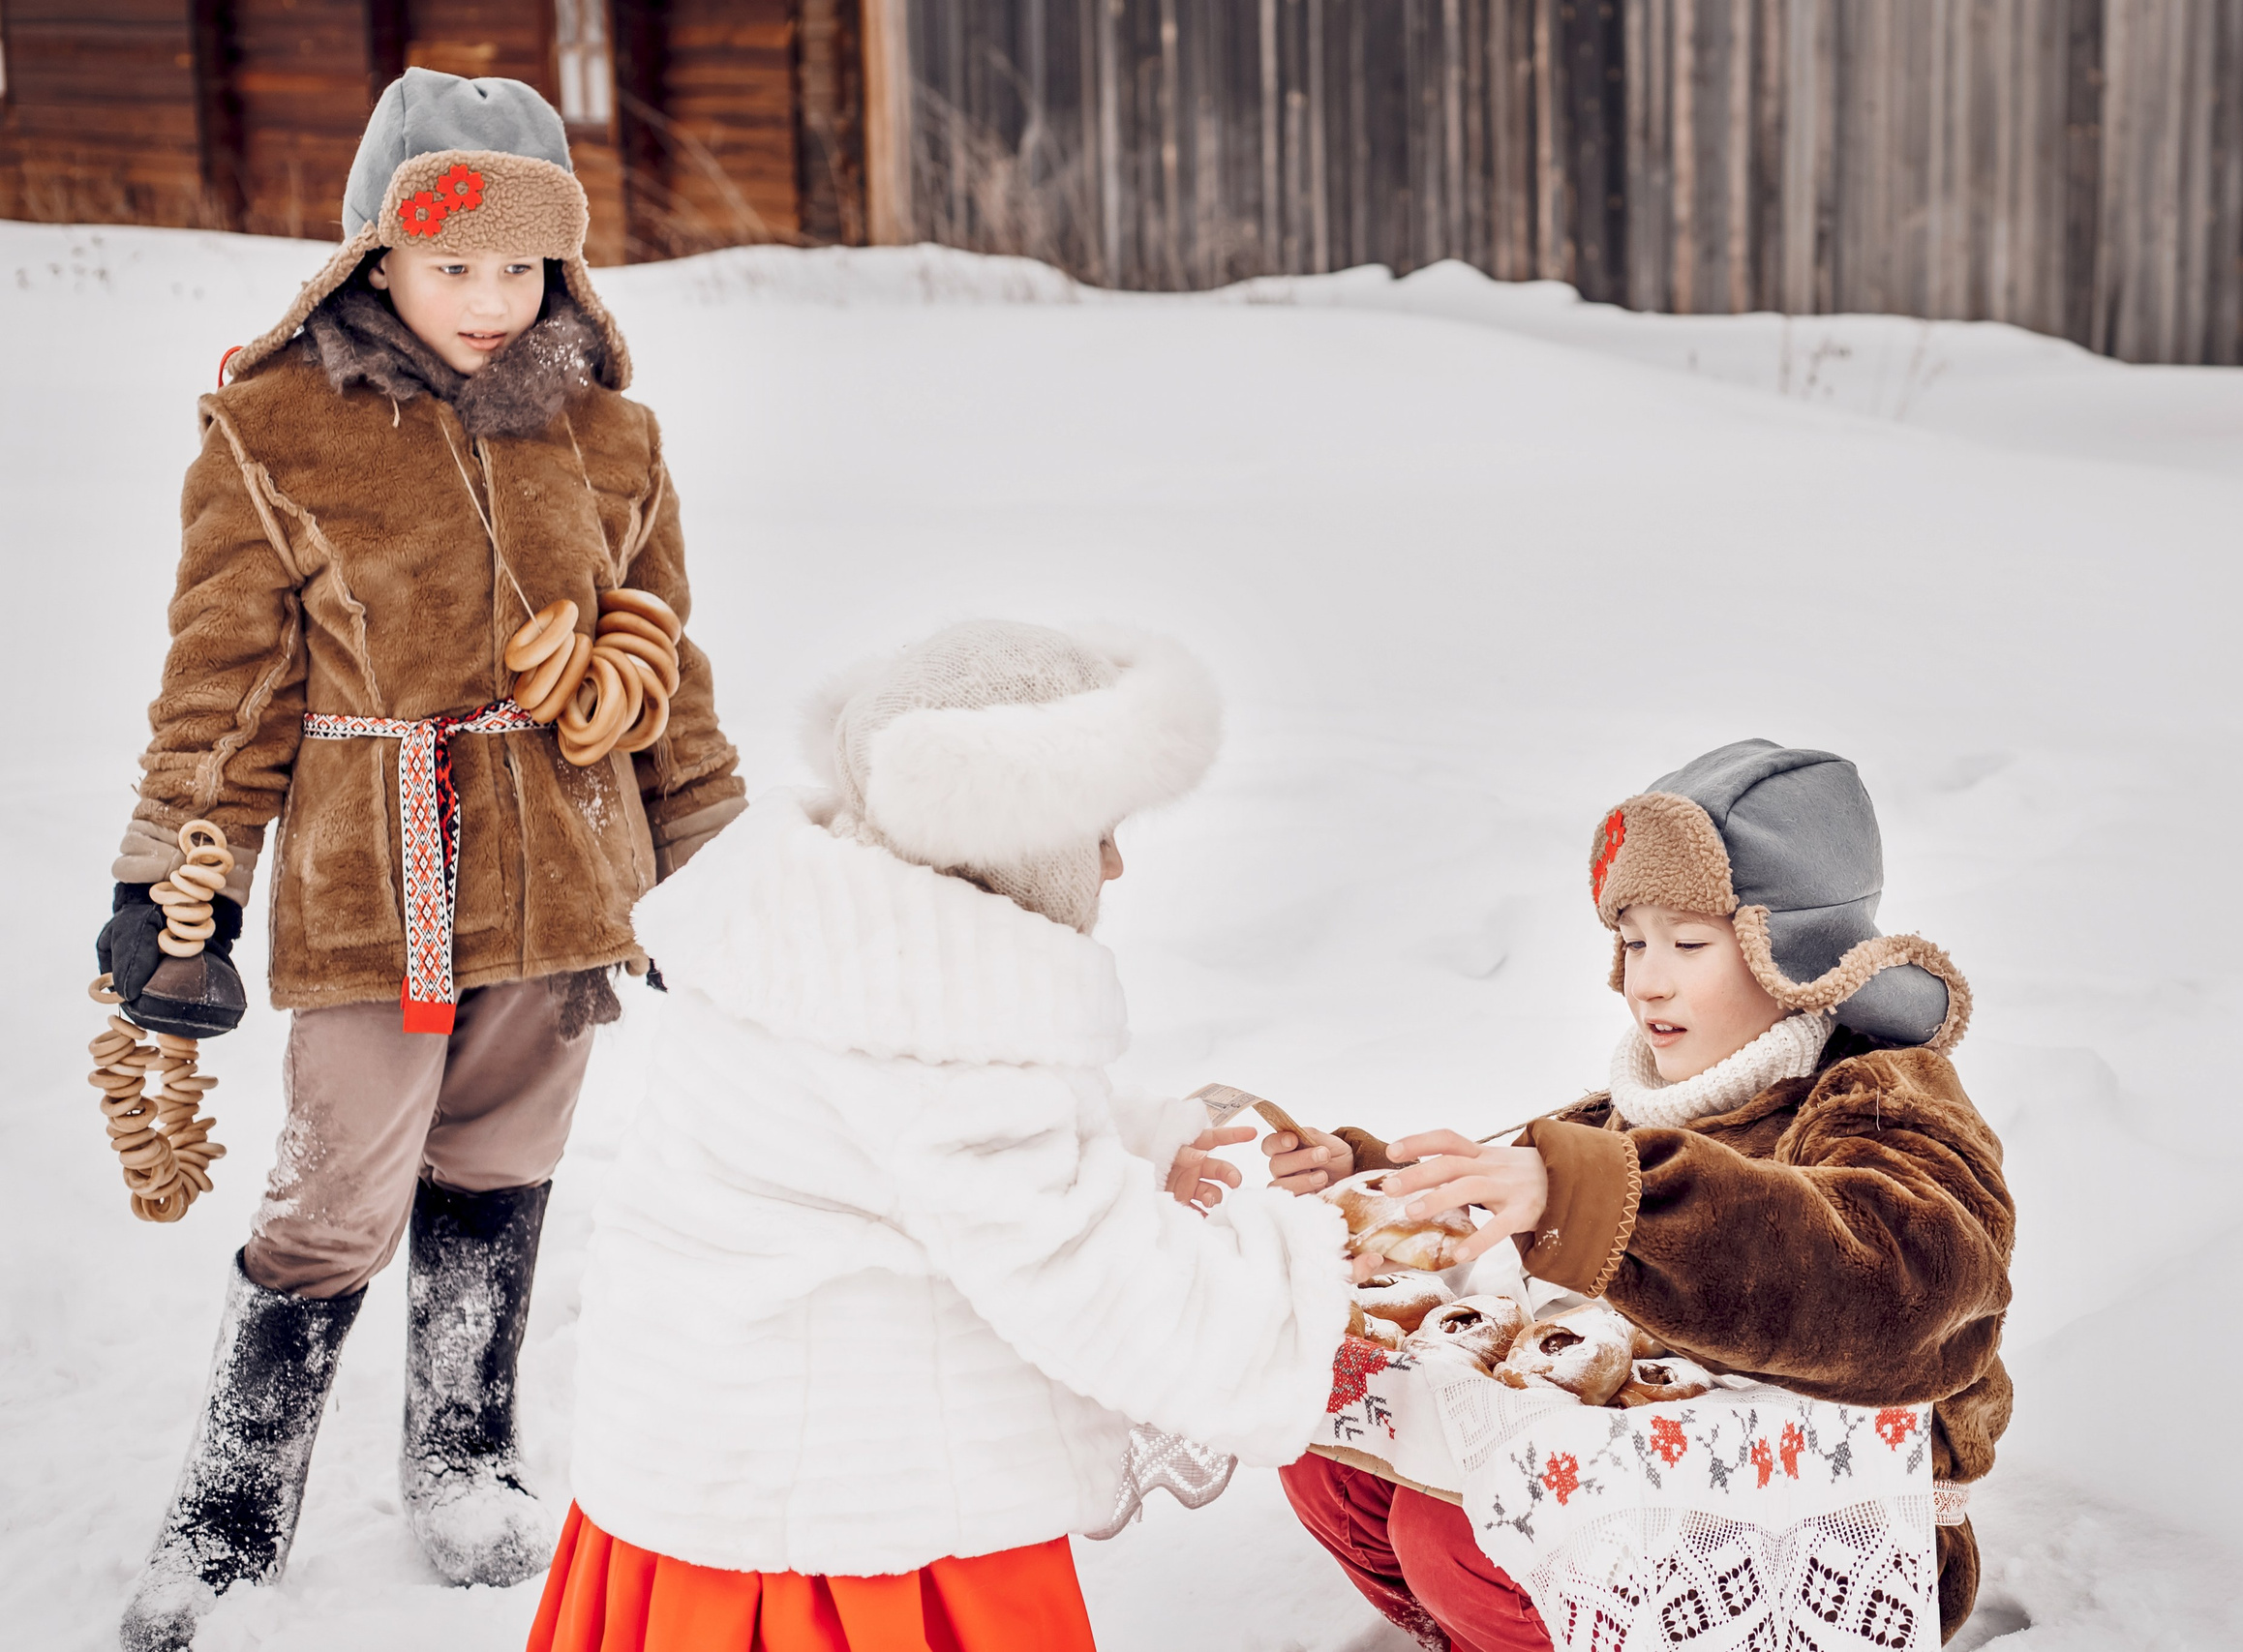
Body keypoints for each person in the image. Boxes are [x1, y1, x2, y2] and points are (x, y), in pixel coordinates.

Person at [102, 69, 743, 1652]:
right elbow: (224, 686)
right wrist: (169, 891)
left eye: (521, 266)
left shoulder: (611, 433)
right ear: (374, 255)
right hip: (374, 883)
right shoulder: (278, 428)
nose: (489, 297)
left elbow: (670, 675)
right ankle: (229, 1512)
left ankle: (462, 1458)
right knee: (335, 1199)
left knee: (503, 1171)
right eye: (453, 263)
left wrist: (719, 879)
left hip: (567, 878)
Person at [530, 619, 1354, 1652]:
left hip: (710, 1488)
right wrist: (1304, 1271)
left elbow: (889, 1156)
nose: (1114, 864)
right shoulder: (934, 1033)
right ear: (1007, 835)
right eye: (1093, 827)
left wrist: (1149, 1141)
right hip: (852, 1548)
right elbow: (1087, 1279)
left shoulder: (828, 935)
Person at [1263, 740, 2014, 1648]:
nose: (1643, 978)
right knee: (1333, 1459)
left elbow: (1902, 1289)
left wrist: (1591, 1196)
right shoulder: (1641, 1107)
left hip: (1829, 1522)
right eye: (1631, 941)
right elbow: (1524, 1193)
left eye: (1690, 943)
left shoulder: (1877, 1095)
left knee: (1454, 1528)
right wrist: (1377, 1183)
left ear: (1796, 956)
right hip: (1655, 1466)